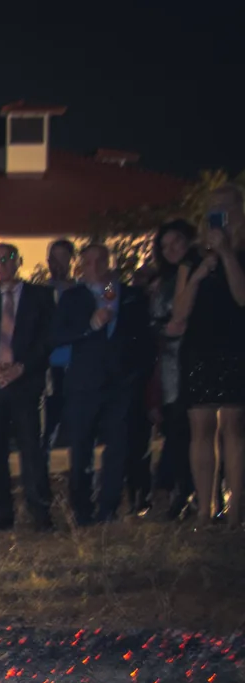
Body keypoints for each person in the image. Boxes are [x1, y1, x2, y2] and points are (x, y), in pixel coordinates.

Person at [52, 244, 156, 526]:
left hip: (121, 384)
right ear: (81, 267)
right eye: (88, 262)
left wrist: (135, 375)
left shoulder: (131, 295)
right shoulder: (72, 297)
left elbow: (145, 338)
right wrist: (89, 325)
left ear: (109, 263)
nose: (95, 267)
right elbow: (57, 334)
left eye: (100, 261)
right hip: (84, 384)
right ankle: (81, 511)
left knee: (118, 448)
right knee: (81, 448)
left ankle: (108, 508)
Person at [172, 184, 245, 529]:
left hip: (235, 345)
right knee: (200, 427)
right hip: (199, 346)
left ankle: (235, 512)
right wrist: (200, 272)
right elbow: (180, 310)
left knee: (233, 426)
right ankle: (205, 508)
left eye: (225, 207)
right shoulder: (193, 257)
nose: (219, 214)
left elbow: (242, 298)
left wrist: (228, 254)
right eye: (213, 208)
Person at [0, 243, 55, 532]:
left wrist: (21, 367)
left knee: (32, 450)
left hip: (26, 385)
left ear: (18, 261)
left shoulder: (41, 296)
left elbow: (46, 339)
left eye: (6, 259)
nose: (0, 265)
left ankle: (40, 513)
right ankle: (2, 515)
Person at [146, 219, 200, 520]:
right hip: (170, 369)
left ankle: (194, 494)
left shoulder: (203, 273)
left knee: (199, 432)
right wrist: (168, 326)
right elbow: (154, 324)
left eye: (176, 242)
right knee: (178, 433)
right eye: (164, 246)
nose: (171, 250)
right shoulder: (162, 283)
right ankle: (179, 493)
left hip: (201, 360)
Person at [42, 238, 77, 448]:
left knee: (79, 421)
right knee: (50, 421)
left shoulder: (83, 287)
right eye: (54, 258)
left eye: (63, 257)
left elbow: (109, 293)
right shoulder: (42, 292)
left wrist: (108, 275)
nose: (58, 263)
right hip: (51, 366)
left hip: (78, 364)